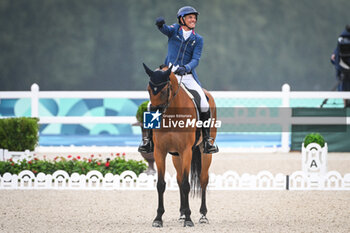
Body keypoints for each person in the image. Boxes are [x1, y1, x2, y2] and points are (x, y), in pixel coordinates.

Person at [138, 6, 219, 154]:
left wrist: (186, 67)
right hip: (168, 75)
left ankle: (207, 140)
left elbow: (196, 59)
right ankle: (148, 140)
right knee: (151, 104)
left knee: (203, 102)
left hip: (187, 76)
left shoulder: (198, 39)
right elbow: (164, 30)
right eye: (190, 17)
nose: (193, 19)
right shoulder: (174, 30)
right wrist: (160, 25)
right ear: (182, 19)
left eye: (194, 17)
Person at [331, 24, 350, 107]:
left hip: (343, 72)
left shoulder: (341, 40)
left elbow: (333, 58)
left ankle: (345, 104)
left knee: (343, 86)